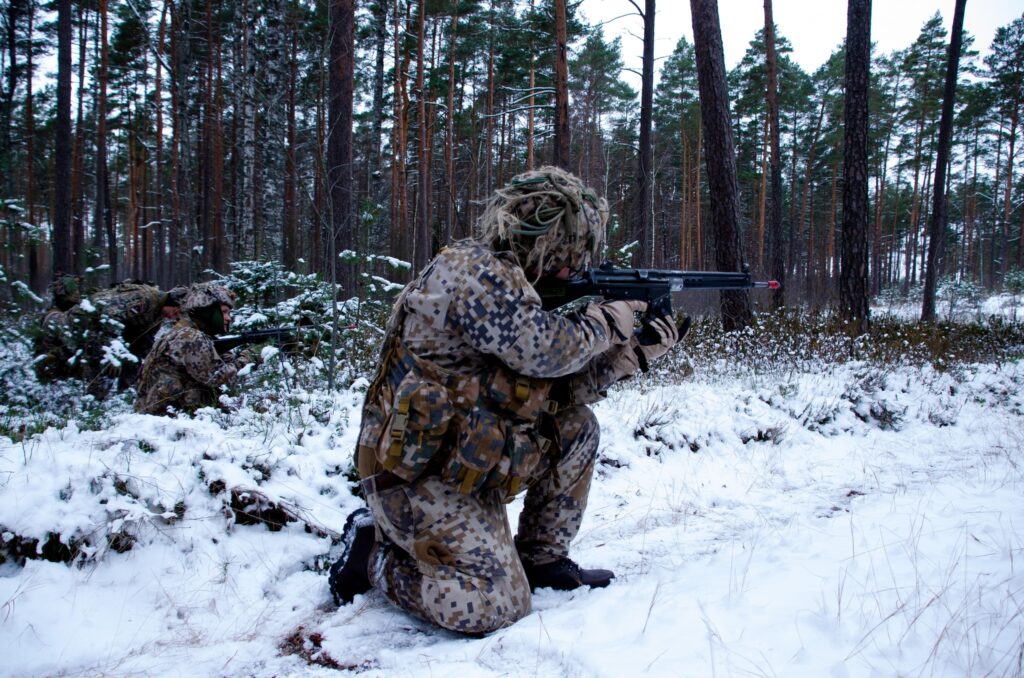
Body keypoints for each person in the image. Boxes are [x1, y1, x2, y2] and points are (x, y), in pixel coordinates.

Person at [328, 167, 684, 635]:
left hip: (460, 454)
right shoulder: (472, 272)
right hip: (411, 472)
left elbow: (549, 391)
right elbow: (546, 350)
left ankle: (542, 559)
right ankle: (370, 555)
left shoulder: (516, 287)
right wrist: (607, 321)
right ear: (551, 241)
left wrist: (633, 354)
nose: (575, 268)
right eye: (572, 253)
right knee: (492, 606)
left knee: (576, 427)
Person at [133, 282, 246, 416]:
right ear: (207, 311)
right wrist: (248, 357)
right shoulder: (191, 337)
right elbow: (215, 377)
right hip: (167, 419)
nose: (228, 318)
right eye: (224, 312)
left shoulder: (183, 332)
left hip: (160, 415)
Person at [32, 274, 83, 382]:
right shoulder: (56, 317)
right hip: (54, 376)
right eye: (75, 291)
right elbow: (73, 347)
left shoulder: (52, 314)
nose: (78, 295)